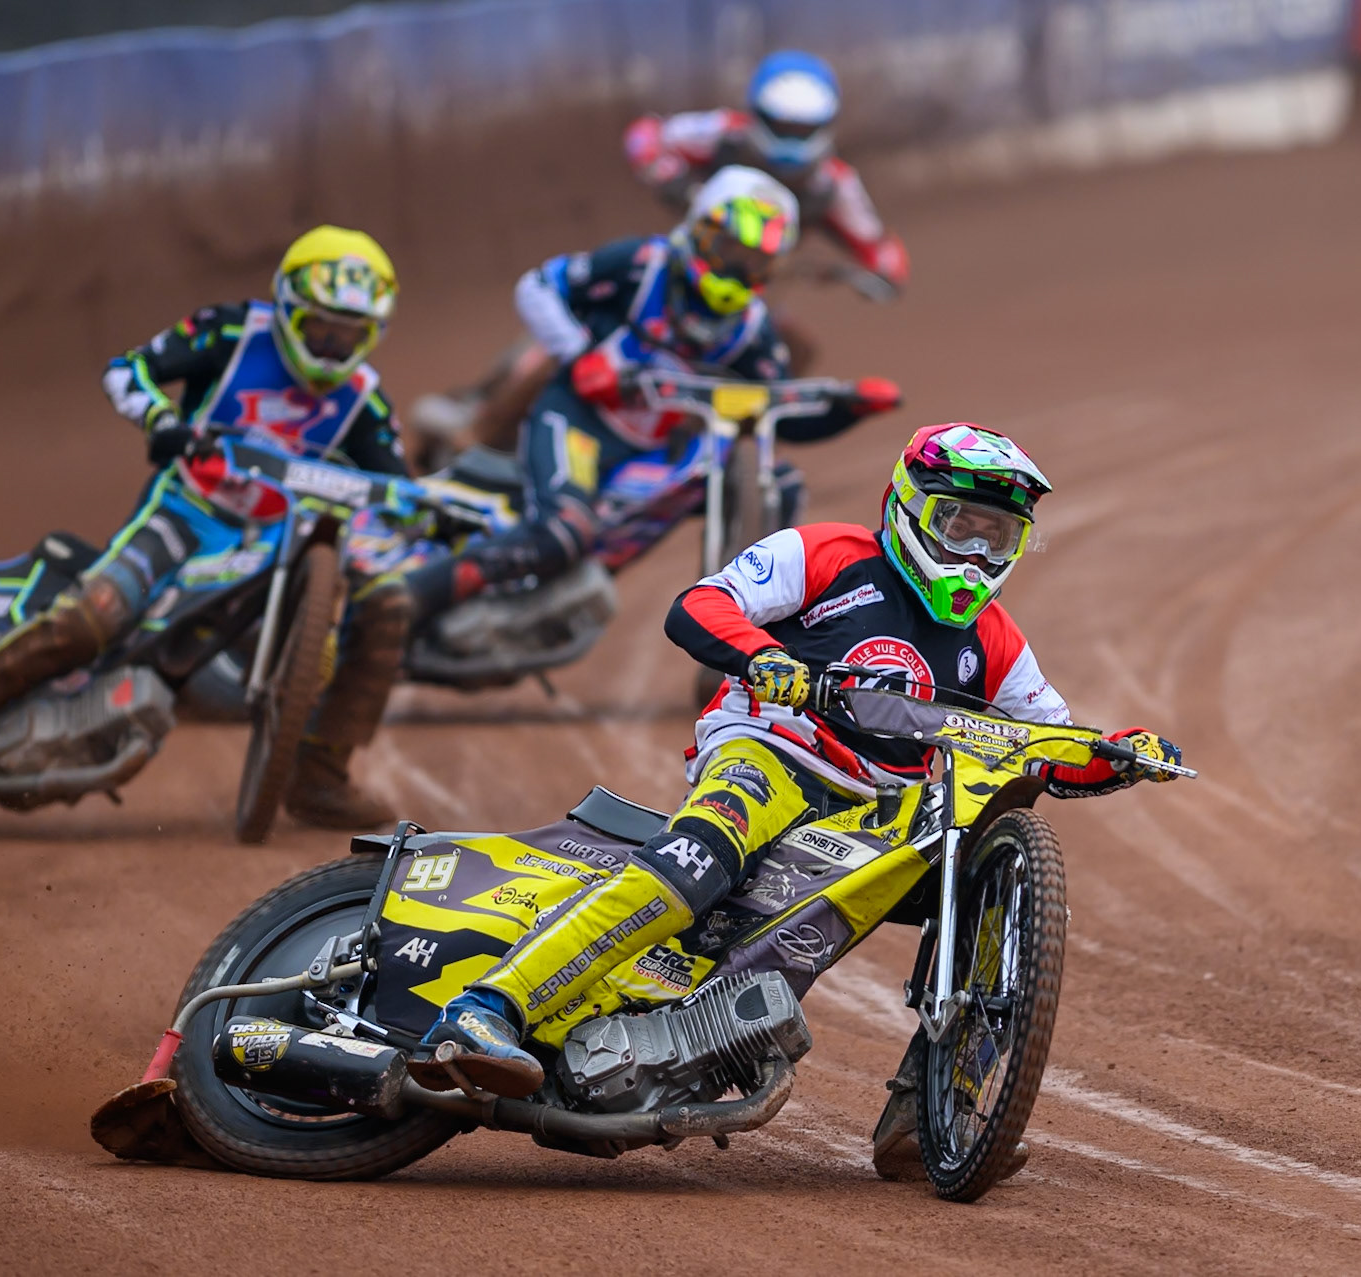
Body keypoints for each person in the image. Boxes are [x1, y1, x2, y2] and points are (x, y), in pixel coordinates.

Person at [407, 423, 1183, 1144]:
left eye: (998, 537)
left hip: (873, 812)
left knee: (985, 890)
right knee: (699, 860)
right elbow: (701, 604)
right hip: (771, 752)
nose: (977, 555)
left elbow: (1048, 744)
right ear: (912, 509)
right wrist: (761, 656)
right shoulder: (825, 553)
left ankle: (929, 1108)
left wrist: (1117, 752)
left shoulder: (997, 641)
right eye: (960, 527)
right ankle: (484, 1008)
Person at [0, 226, 412, 828]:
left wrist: (437, 513)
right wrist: (162, 419)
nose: (332, 349)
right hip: (184, 516)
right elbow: (126, 370)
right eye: (321, 330)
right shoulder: (230, 332)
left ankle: (320, 773)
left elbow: (402, 491)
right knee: (97, 614)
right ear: (287, 309)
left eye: (349, 336)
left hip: (270, 544)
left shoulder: (365, 400)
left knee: (386, 601)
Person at [403, 166, 901, 621]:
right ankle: (409, 598)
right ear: (700, 229)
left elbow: (777, 412)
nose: (735, 271)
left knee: (779, 481)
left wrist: (849, 410)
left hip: (654, 454)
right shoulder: (642, 266)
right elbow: (538, 286)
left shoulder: (752, 330)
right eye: (730, 251)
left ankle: (743, 618)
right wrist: (579, 354)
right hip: (581, 422)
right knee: (562, 532)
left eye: (754, 262)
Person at [624, 50, 910, 301]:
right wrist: (680, 185)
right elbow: (645, 136)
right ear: (757, 114)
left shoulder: (832, 182)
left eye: (803, 130)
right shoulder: (727, 133)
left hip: (757, 288)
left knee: (786, 342)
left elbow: (879, 246)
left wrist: (881, 275)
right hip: (684, 262)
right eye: (781, 126)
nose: (791, 139)